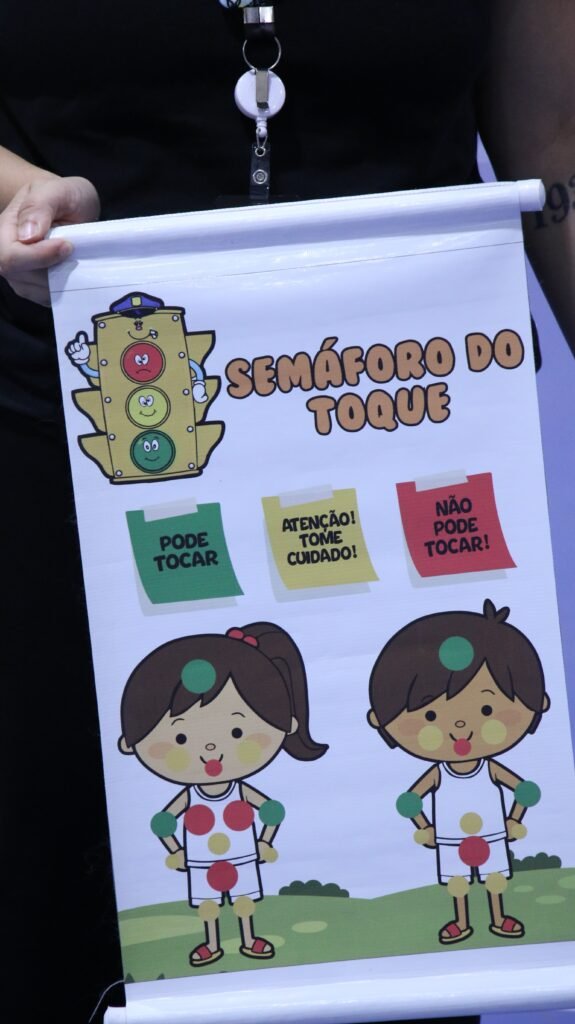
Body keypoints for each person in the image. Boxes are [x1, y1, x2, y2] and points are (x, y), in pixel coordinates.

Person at [0, 1, 573, 1020]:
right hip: (52, 437)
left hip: (403, 431)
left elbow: (556, 141)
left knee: (383, 966)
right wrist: (14, 198)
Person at [119, 623, 327, 966]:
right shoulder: (192, 795)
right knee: (208, 904)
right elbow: (163, 821)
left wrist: (264, 842)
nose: (211, 749)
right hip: (200, 858)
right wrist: (176, 851)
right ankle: (211, 944)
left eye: (236, 731)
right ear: (131, 742)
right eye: (181, 738)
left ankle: (249, 938)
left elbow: (271, 810)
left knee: (244, 900)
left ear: (285, 723)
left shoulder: (239, 789)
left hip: (242, 853)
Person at [367, 599, 549, 945]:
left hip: (492, 832)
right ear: (381, 719)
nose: (461, 725)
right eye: (430, 715)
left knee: (495, 878)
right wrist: (425, 828)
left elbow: (523, 789)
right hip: (450, 837)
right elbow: (411, 799)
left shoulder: (488, 766)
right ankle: (460, 922)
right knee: (458, 882)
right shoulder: (440, 773)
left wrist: (514, 820)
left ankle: (499, 917)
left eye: (486, 708)